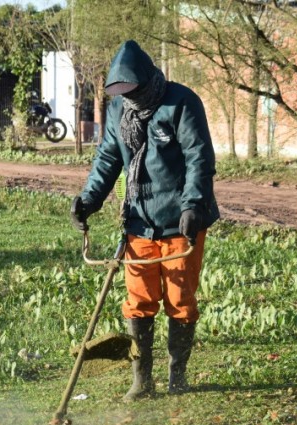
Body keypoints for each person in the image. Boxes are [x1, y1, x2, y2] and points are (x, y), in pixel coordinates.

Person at [70, 40, 219, 401]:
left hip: (181, 223)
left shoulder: (181, 103)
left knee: (180, 301)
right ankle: (142, 380)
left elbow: (199, 157)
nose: (127, 98)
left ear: (146, 80)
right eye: (121, 93)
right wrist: (87, 201)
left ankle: (176, 378)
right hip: (139, 223)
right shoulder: (121, 109)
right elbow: (108, 159)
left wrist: (193, 206)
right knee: (139, 301)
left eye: (131, 91)